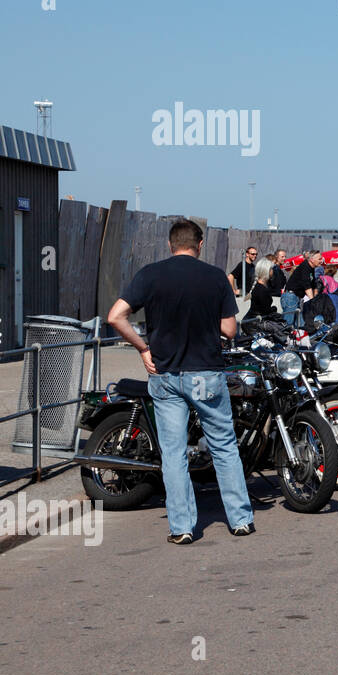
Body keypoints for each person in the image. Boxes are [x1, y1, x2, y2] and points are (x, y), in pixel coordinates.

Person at [105, 219, 255, 544]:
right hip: (206, 374)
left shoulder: (150, 275)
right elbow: (229, 330)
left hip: (166, 375)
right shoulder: (215, 276)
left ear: (170, 244)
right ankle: (241, 520)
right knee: (224, 447)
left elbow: (115, 316)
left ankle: (182, 528)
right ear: (199, 245)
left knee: (173, 454)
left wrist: (143, 348)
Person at [282, 250, 320, 328]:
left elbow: (313, 284)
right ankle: (283, 339)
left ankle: (298, 339)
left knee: (300, 324)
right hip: (290, 296)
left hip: (297, 297)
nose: (321, 260)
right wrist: (313, 302)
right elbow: (307, 286)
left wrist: (316, 297)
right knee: (288, 324)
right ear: (312, 260)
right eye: (319, 259)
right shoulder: (305, 267)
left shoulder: (311, 268)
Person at [228, 245, 258, 315]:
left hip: (249, 294)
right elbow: (230, 276)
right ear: (247, 254)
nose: (255, 256)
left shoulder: (253, 266)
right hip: (242, 294)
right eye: (253, 254)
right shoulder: (242, 264)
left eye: (256, 254)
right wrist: (234, 290)